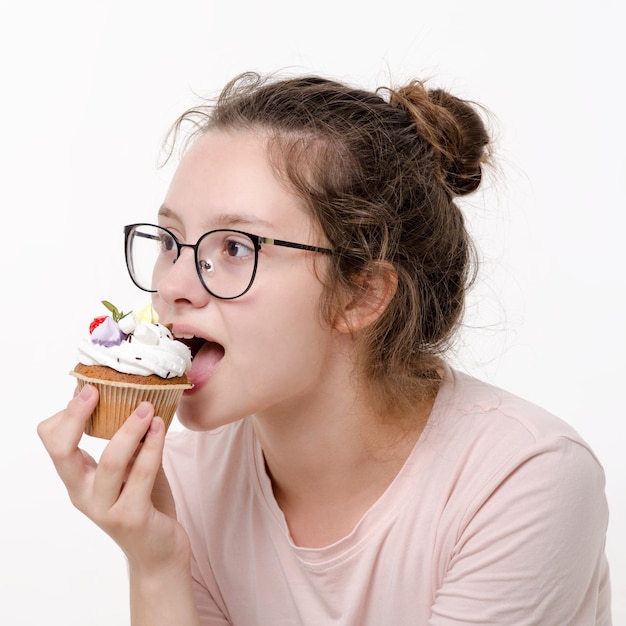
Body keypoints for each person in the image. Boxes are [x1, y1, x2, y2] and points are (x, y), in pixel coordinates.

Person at [38, 71, 612, 625]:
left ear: (360, 295)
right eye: (171, 241)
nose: (172, 286)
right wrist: (156, 564)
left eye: (235, 247)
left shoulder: (520, 480)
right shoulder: (182, 489)